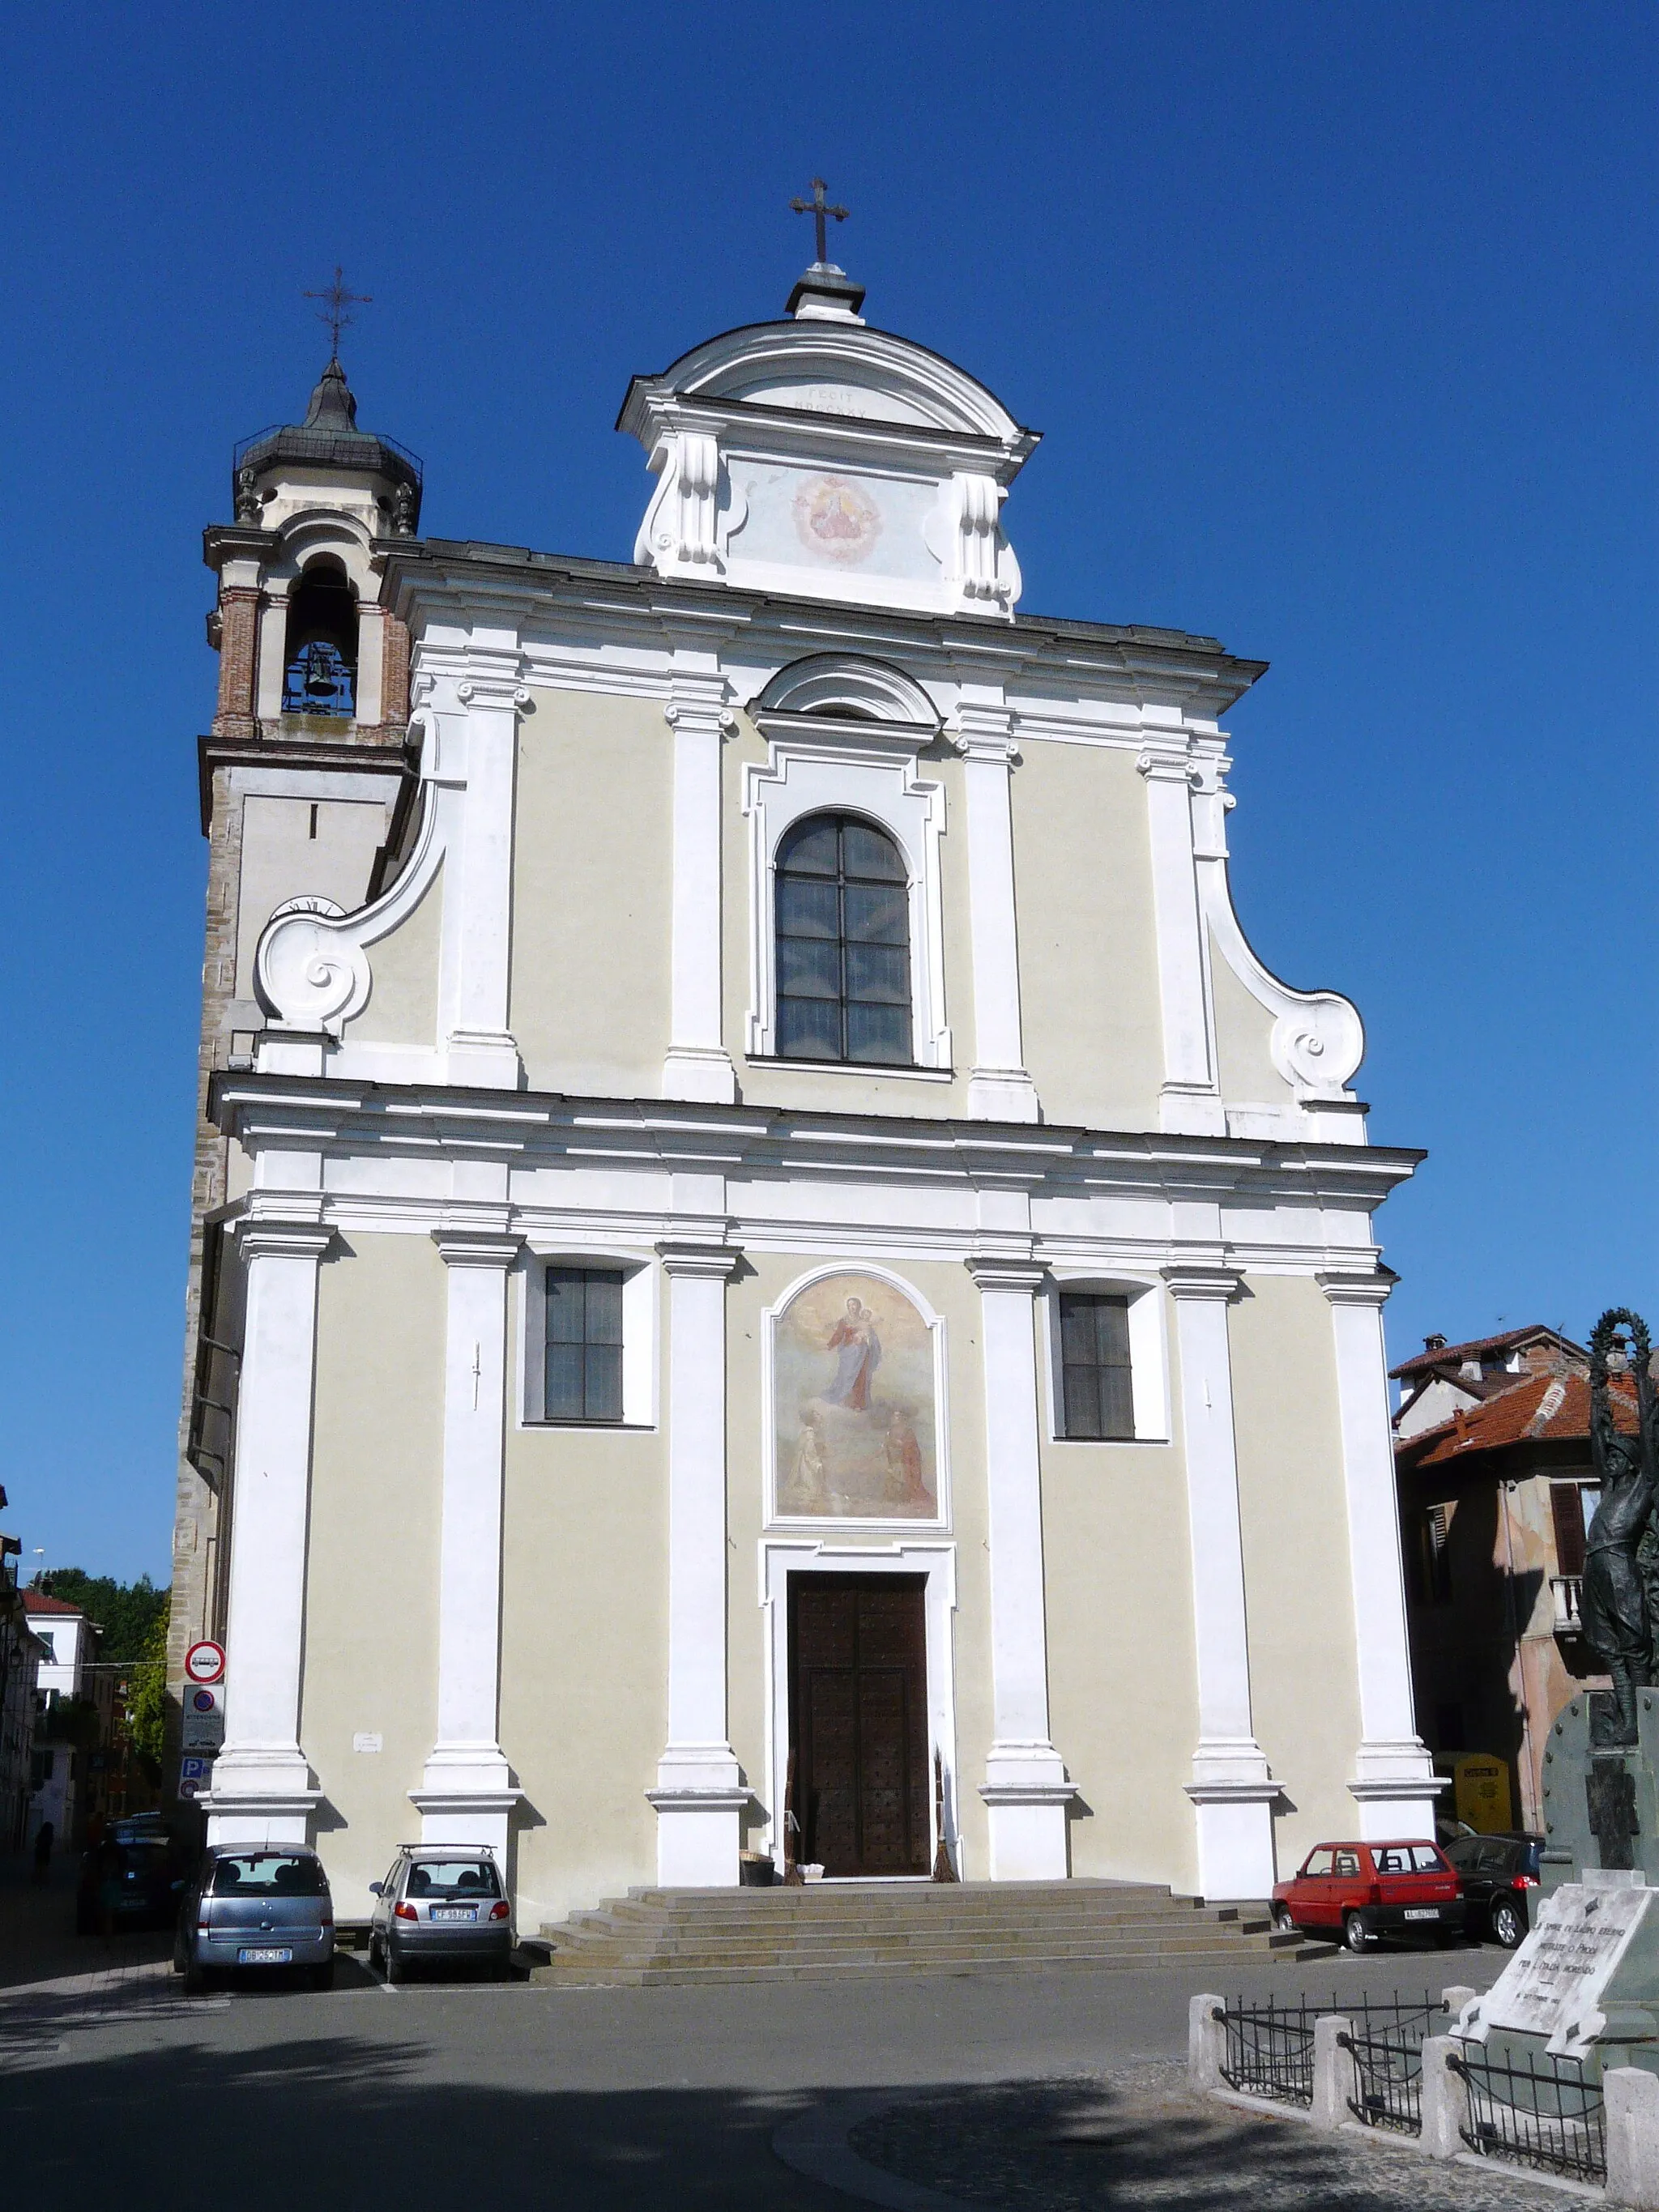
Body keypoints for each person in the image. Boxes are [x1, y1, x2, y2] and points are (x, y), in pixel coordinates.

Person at [31, 1820, 53, 1886]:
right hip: (45, 1852)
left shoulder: (41, 1834)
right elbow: (50, 1843)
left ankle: (37, 1879)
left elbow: (36, 1841)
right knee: (44, 1866)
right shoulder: (50, 1835)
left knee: (38, 1866)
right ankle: (44, 1880)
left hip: (39, 1851)